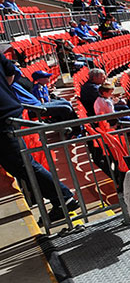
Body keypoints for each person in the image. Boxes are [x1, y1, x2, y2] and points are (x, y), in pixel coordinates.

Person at [0, 54, 78, 223]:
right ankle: (62, 199)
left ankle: (64, 198)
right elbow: (10, 72)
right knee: (20, 164)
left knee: (23, 164)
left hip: (3, 119)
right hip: (10, 112)